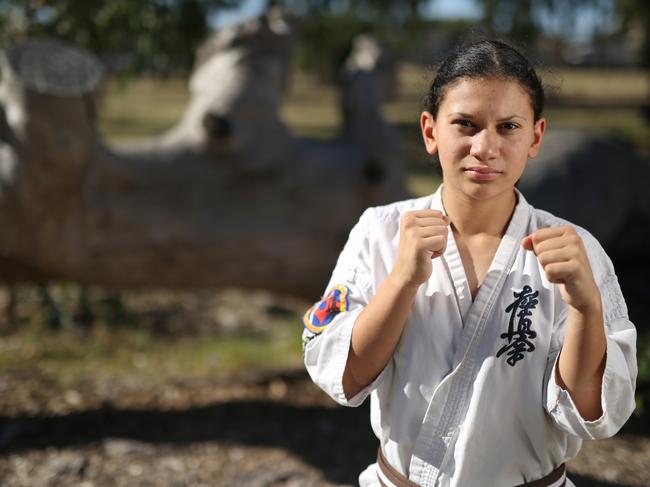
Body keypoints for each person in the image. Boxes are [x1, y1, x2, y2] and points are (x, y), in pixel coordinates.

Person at [301, 39, 637, 487]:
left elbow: (592, 413)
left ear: (535, 136)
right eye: (466, 124)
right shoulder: (380, 231)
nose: (485, 147)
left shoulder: (574, 251)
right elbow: (343, 375)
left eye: (508, 127)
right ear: (430, 131)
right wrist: (402, 279)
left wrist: (586, 307)